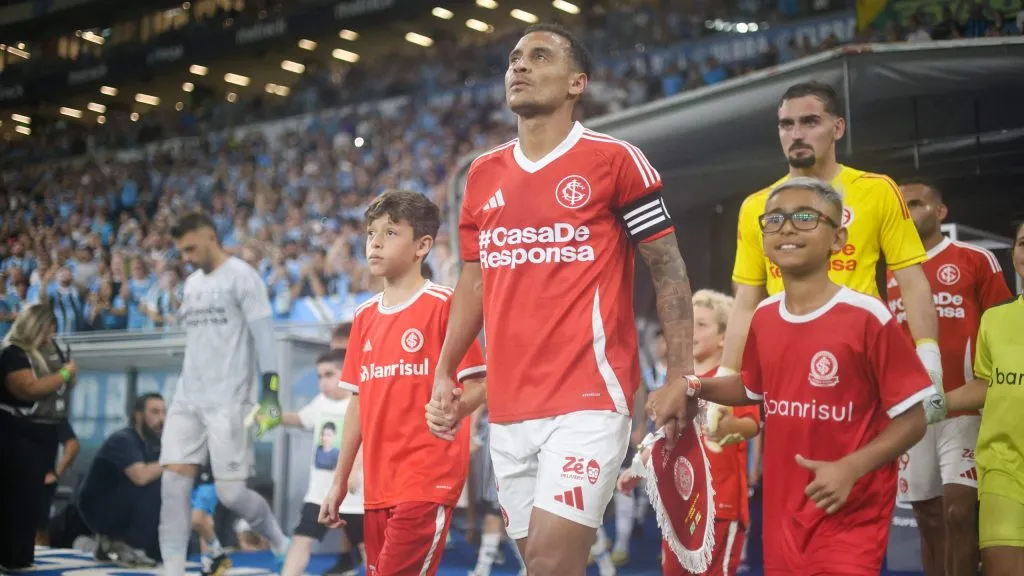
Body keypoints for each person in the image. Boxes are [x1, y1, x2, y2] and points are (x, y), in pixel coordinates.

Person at [428, 23, 695, 576]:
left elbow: (668, 269)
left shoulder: (616, 161)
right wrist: (446, 372)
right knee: (541, 566)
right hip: (507, 410)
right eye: (513, 59)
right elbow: (472, 285)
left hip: (589, 401)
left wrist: (681, 375)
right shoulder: (481, 175)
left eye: (538, 56)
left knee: (549, 565)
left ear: (578, 83)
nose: (518, 67)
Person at [653, 177, 931, 574]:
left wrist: (851, 467)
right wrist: (694, 385)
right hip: (783, 518)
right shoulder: (765, 316)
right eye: (775, 218)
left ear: (838, 238)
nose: (786, 227)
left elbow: (915, 418)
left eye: (805, 217)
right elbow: (750, 387)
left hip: (848, 515)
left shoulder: (868, 317)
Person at [714, 81, 944, 425]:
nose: (796, 133)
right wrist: (725, 373)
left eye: (810, 122)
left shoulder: (876, 190)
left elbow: (912, 283)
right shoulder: (755, 207)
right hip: (785, 361)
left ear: (837, 128)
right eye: (786, 124)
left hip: (859, 356)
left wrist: (929, 356)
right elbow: (746, 300)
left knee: (863, 467)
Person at [319, 191, 487, 576]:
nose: (375, 242)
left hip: (426, 480)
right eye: (371, 233)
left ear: (422, 246)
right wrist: (339, 482)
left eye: (391, 233)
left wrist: (456, 409)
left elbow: (481, 383)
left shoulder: (445, 305)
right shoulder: (363, 318)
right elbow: (358, 405)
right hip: (378, 486)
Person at [885, 181, 1012, 576]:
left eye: (917, 204)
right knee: (929, 518)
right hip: (914, 413)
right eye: (902, 206)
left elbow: (1005, 326)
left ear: (940, 212)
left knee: (959, 511)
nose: (908, 211)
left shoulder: (976, 259)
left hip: (965, 407)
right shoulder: (890, 267)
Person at [159, 213, 289, 575]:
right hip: (188, 398)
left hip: (230, 400)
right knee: (173, 483)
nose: (185, 256)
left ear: (211, 237)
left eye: (191, 248)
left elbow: (264, 335)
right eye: (181, 251)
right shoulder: (192, 284)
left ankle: (279, 541)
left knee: (231, 494)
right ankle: (172, 568)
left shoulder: (243, 277)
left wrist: (270, 393)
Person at [619, 290, 760, 576]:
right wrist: (638, 466)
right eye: (689, 323)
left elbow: (752, 425)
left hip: (721, 507)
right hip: (679, 508)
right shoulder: (677, 384)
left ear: (725, 337)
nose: (691, 330)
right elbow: (662, 437)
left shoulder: (732, 382)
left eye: (702, 325)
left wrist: (730, 428)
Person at [945, 221, 1024, 576]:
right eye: (1023, 243)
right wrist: (928, 407)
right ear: (1015, 255)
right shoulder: (995, 318)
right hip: (1005, 469)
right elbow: (986, 384)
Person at [0, 304, 78, 571]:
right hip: (16, 431)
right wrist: (66, 373)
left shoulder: (50, 352)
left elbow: (60, 388)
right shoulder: (12, 353)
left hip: (45, 432)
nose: (51, 335)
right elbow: (29, 389)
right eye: (48, 328)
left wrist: (64, 375)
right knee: (15, 499)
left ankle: (21, 558)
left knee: (31, 503)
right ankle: (11, 557)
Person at [278, 349, 365, 576]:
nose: (323, 382)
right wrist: (274, 415)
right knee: (302, 538)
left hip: (355, 495)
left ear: (346, 373)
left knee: (370, 548)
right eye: (319, 376)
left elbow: (369, 441)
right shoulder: (320, 402)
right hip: (319, 492)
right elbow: (299, 419)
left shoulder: (361, 403)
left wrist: (354, 471)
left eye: (329, 375)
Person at [77, 393, 165, 566]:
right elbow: (140, 477)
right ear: (138, 415)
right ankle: (128, 545)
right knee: (153, 484)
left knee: (159, 556)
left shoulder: (153, 443)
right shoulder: (123, 439)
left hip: (119, 503)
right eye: (155, 412)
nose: (161, 418)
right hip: (98, 507)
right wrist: (171, 461)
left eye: (164, 412)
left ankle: (113, 545)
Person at [191, 465, 231, 576]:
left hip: (208, 472)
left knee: (197, 519)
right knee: (204, 518)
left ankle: (218, 554)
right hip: (190, 471)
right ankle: (208, 561)